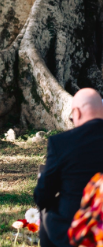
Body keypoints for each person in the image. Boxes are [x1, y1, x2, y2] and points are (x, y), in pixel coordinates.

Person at [34, 88, 103, 247]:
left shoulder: (62, 143)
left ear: (77, 113)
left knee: (46, 207)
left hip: (74, 231)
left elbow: (43, 196)